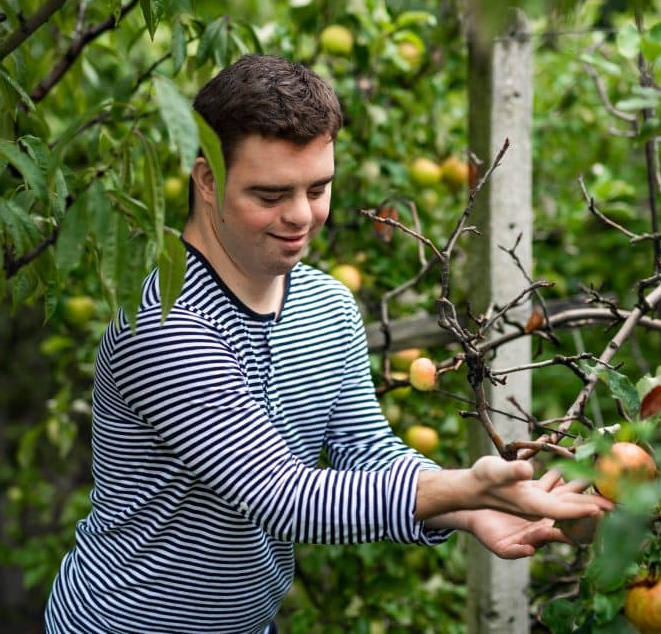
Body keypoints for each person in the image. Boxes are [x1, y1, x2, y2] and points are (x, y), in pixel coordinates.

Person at [45, 54, 611, 633]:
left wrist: (472, 509)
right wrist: (462, 486)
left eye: (318, 189)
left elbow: (366, 454)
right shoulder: (164, 324)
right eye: (269, 195)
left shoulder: (325, 303)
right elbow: (285, 497)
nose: (300, 216)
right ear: (207, 179)